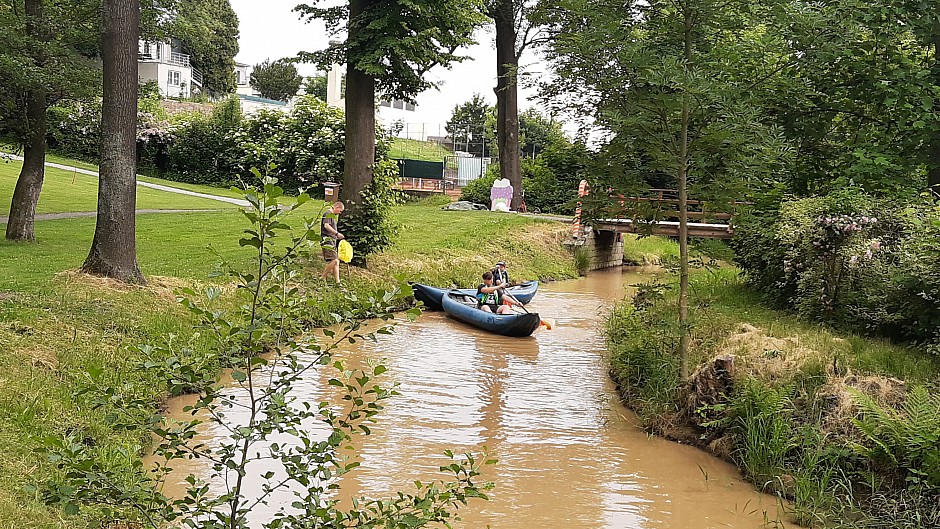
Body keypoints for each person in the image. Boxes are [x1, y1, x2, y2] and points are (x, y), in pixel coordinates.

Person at [320, 201, 345, 283]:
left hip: (332, 240)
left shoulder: (332, 216)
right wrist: (337, 234)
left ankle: (338, 282)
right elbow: (326, 225)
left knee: (336, 262)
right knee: (334, 260)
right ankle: (322, 277)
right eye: (340, 211)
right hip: (327, 240)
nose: (340, 213)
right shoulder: (328, 214)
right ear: (336, 207)